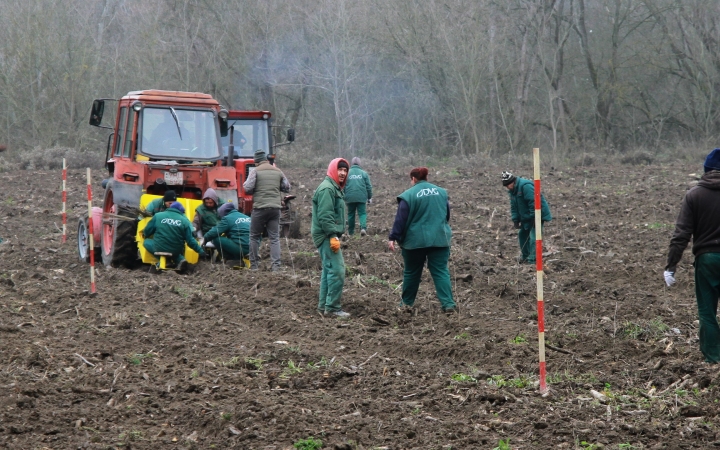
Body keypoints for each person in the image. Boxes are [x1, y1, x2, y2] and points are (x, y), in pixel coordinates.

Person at [665, 148, 720, 364]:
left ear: (706, 170)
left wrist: (671, 266)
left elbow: (681, 235)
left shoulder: (694, 195)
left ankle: (714, 358)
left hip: (706, 259)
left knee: (707, 312)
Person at [388, 167, 456, 314]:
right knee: (440, 271)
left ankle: (406, 304)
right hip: (440, 238)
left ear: (413, 179)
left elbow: (401, 219)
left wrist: (393, 237)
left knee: (412, 272)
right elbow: (446, 215)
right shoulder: (441, 192)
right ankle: (448, 304)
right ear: (426, 177)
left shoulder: (408, 195)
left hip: (414, 242)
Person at [312, 158, 350, 317]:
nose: (342, 173)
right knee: (337, 270)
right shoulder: (327, 188)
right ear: (333, 170)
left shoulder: (334, 188)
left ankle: (323, 307)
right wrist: (333, 235)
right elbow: (325, 215)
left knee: (329, 271)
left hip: (327, 234)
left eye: (345, 170)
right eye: (340, 169)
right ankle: (332, 308)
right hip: (326, 235)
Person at [243, 150, 291, 272]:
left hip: (260, 208)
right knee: (274, 238)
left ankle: (254, 266)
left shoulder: (255, 171)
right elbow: (287, 187)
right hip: (275, 209)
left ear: (256, 161)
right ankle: (276, 267)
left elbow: (247, 188)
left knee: (254, 236)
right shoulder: (277, 171)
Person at [502, 171, 552, 264]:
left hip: (537, 215)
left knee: (534, 237)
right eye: (506, 186)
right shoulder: (512, 191)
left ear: (513, 181)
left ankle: (533, 260)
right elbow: (514, 206)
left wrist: (534, 217)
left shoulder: (526, 186)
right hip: (526, 217)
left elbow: (534, 201)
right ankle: (525, 257)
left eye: (509, 184)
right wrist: (515, 219)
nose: (508, 187)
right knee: (522, 235)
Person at [142, 202, 205, 272]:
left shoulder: (158, 216)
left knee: (146, 242)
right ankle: (180, 260)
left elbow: (148, 230)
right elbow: (190, 241)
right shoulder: (185, 221)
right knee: (175, 251)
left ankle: (166, 261)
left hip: (159, 247)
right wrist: (201, 251)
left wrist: (145, 234)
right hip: (176, 250)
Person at [344, 157, 373, 236]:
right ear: (360, 164)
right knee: (362, 213)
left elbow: (343, 186)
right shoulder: (364, 173)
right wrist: (369, 197)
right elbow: (368, 187)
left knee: (350, 214)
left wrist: (343, 196)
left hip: (349, 197)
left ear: (351, 164)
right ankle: (363, 228)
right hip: (361, 197)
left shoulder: (347, 173)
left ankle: (351, 232)